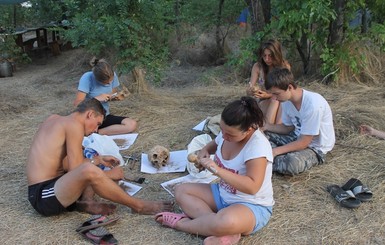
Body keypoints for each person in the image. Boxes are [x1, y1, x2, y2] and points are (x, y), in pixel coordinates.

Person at [155, 96, 274, 245]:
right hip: (223, 193)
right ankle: (221, 229)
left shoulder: (257, 147)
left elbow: (252, 186)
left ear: (249, 130)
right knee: (181, 191)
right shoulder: (227, 134)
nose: (224, 136)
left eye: (230, 134)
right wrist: (204, 150)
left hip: (251, 205)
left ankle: (182, 224)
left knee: (226, 220)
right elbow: (215, 143)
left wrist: (216, 170)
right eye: (222, 130)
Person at [27, 98, 173, 217]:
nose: (95, 130)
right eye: (97, 124)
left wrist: (98, 160)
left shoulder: (55, 119)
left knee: (90, 160)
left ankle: (85, 202)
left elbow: (62, 164)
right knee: (89, 170)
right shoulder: (74, 125)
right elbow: (78, 171)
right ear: (90, 114)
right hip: (43, 194)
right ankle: (138, 206)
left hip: (53, 186)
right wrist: (108, 175)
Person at [263, 68, 335, 175]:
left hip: (315, 148)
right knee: (262, 135)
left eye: (276, 94)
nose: (274, 98)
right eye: (272, 94)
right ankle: (268, 158)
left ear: (290, 87)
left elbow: (304, 142)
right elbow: (288, 128)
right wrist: (266, 126)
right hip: (296, 137)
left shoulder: (313, 105)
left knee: (291, 163)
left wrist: (275, 151)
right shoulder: (286, 101)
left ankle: (262, 160)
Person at [74, 58, 137, 135]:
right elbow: (77, 104)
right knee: (76, 130)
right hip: (89, 118)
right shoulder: (87, 78)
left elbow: (110, 95)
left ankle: (96, 133)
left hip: (103, 116)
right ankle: (89, 131)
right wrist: (96, 99)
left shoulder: (112, 75)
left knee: (131, 124)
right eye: (106, 83)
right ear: (96, 78)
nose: (109, 83)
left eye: (111, 81)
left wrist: (115, 97)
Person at [247, 39, 291, 124]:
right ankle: (269, 128)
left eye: (270, 56)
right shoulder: (258, 66)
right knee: (274, 100)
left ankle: (276, 127)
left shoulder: (284, 66)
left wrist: (268, 95)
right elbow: (249, 87)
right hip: (264, 101)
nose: (267, 59)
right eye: (264, 56)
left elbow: (286, 91)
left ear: (276, 54)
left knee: (277, 100)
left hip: (280, 99)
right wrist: (252, 90)